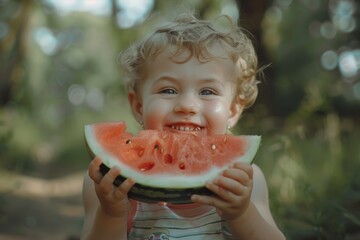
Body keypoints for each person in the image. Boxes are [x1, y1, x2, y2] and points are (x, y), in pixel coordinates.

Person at [81, 12, 286, 240]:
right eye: (168, 90)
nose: (187, 106)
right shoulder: (107, 180)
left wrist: (241, 213)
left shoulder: (245, 179)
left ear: (233, 110)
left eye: (207, 92)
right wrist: (111, 213)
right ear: (138, 105)